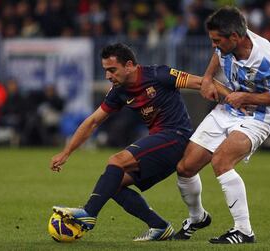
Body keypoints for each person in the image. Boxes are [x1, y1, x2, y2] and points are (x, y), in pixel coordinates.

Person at [50, 43, 202, 241]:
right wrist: (66, 152)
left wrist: (235, 98)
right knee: (113, 184)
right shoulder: (119, 91)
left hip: (176, 137)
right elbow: (93, 121)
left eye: (112, 70)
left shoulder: (159, 74)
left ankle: (89, 213)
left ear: (129, 65)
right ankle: (159, 226)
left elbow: (201, 83)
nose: (108, 76)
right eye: (105, 71)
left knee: (117, 161)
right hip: (161, 143)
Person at [173, 6, 270, 244]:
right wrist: (207, 78)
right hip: (230, 107)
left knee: (221, 161)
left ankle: (244, 231)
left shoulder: (266, 59)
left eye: (218, 40)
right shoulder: (226, 45)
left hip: (260, 115)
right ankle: (197, 218)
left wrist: (245, 97)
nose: (214, 45)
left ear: (235, 37)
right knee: (185, 168)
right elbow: (218, 55)